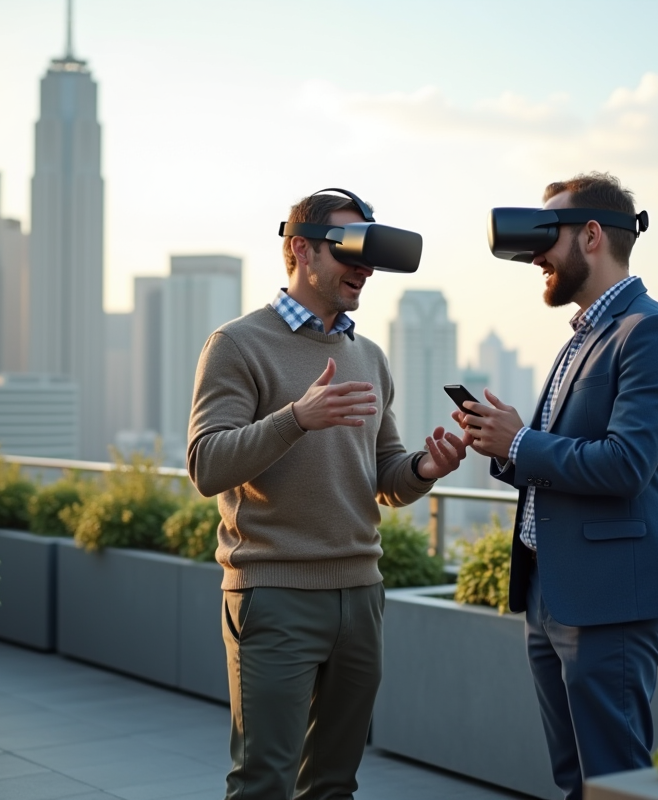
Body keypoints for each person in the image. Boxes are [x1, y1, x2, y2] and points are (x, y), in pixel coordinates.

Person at [187, 189, 466, 800]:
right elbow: (206, 465)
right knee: (264, 782)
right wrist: (297, 418)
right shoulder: (236, 345)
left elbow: (386, 476)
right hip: (273, 592)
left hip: (361, 595)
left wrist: (425, 467)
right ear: (300, 249)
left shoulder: (368, 355)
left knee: (335, 784)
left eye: (371, 253)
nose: (364, 267)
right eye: (350, 250)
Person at [455, 172, 658, 799]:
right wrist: (503, 445)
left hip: (609, 599)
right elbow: (557, 459)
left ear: (593, 236)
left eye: (548, 235)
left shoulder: (649, 332)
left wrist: (519, 441)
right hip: (552, 589)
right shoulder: (586, 336)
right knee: (574, 779)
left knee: (616, 780)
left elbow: (624, 465)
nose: (536, 254)